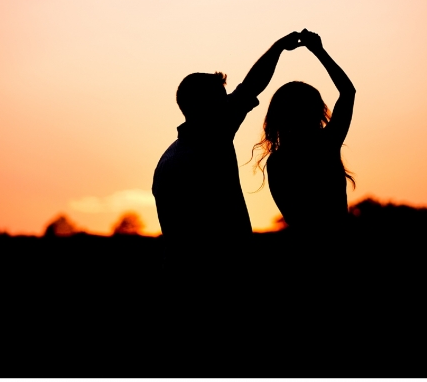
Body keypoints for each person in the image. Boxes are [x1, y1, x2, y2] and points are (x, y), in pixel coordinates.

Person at [152, 31, 303, 285]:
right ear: (203, 107)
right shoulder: (198, 148)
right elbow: (251, 86)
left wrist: (278, 48)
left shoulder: (187, 149)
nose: (229, 105)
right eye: (221, 101)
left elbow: (250, 86)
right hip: (207, 279)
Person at [253, 29, 356, 237]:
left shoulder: (278, 161)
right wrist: (319, 51)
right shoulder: (327, 142)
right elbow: (347, 91)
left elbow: (294, 217)